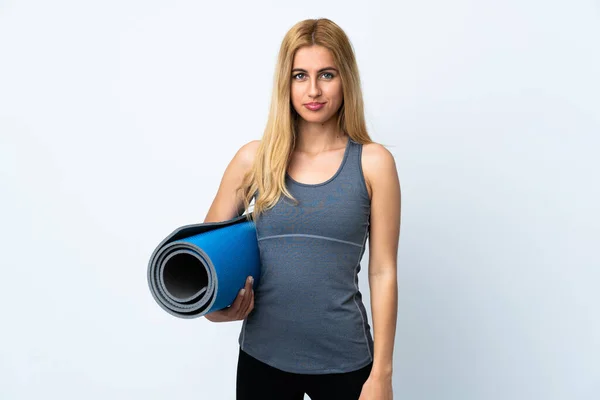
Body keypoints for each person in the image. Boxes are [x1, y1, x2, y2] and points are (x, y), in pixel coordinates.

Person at [203, 18, 400, 400]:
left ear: (346, 79)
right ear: (286, 83)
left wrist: (382, 375)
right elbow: (206, 257)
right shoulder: (253, 160)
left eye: (326, 74)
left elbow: (382, 270)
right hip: (263, 359)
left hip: (347, 363)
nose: (313, 89)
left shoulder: (374, 163)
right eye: (299, 76)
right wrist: (215, 309)